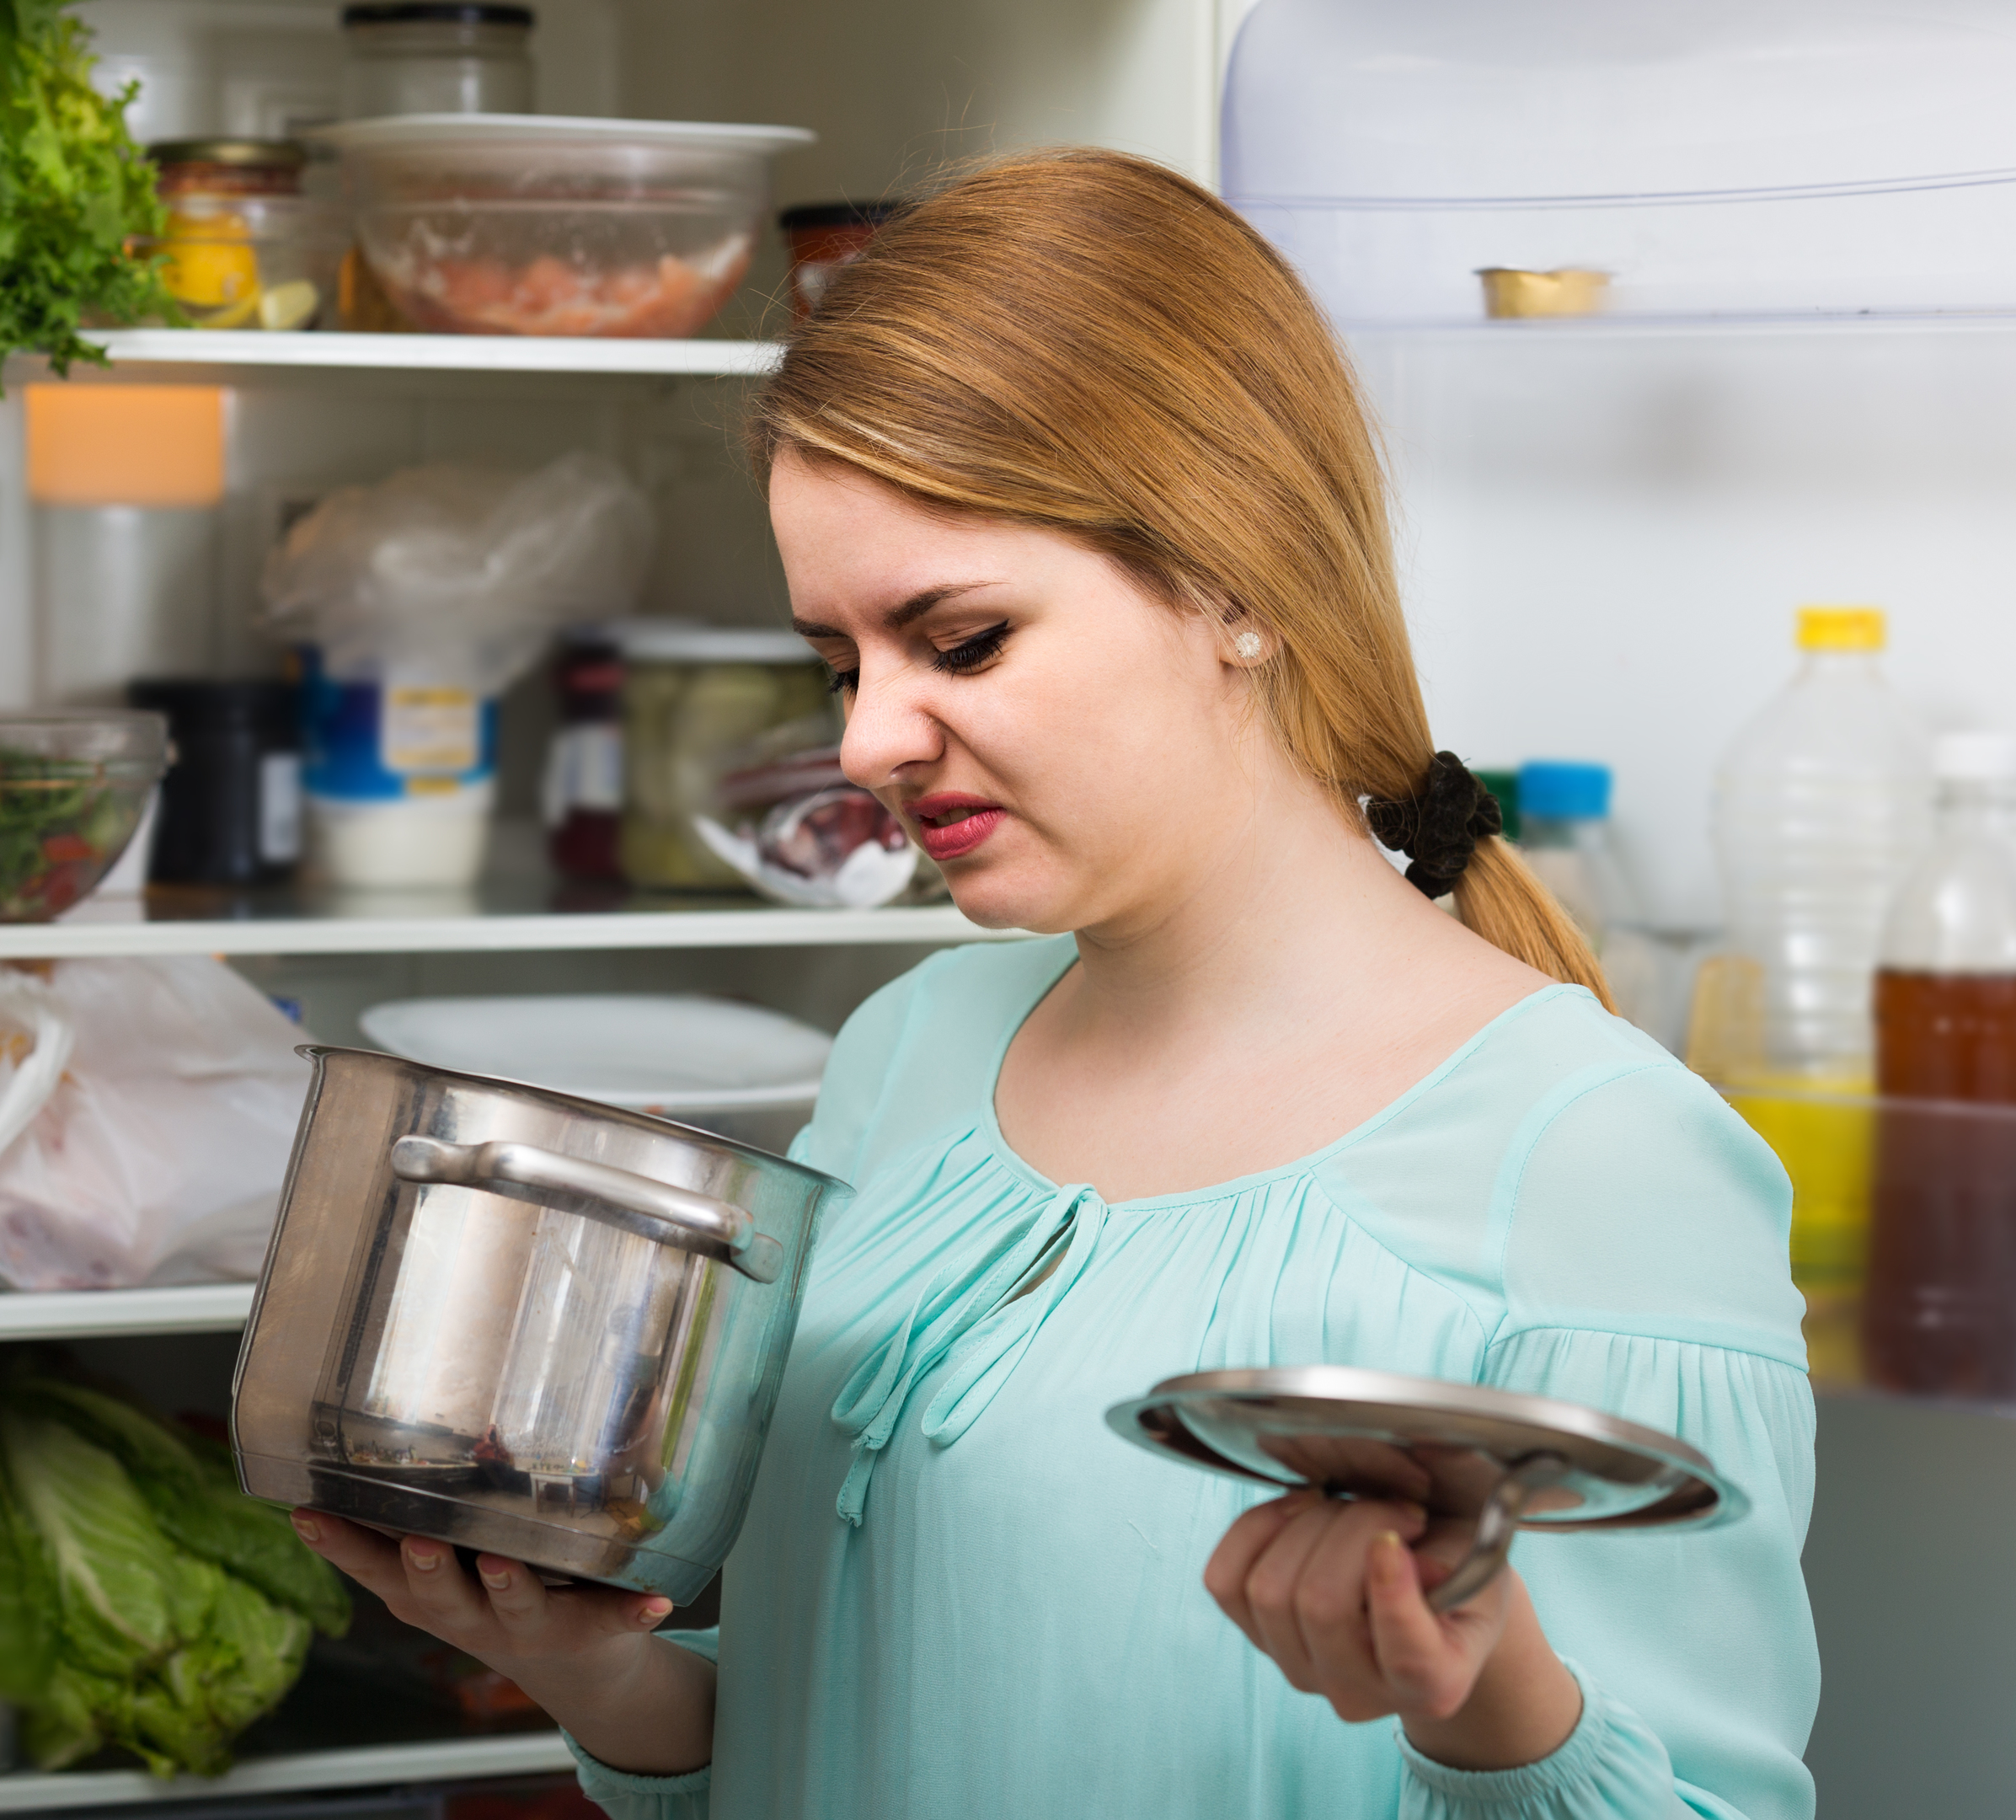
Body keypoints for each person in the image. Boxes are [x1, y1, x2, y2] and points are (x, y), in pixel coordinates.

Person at [293, 148, 1817, 1818]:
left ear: (1232, 582)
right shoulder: (908, 1051)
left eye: (959, 643)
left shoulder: (1601, 1159)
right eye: (838, 660)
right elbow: (848, 1711)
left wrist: (1487, 1700)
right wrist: (600, 1674)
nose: (868, 738)